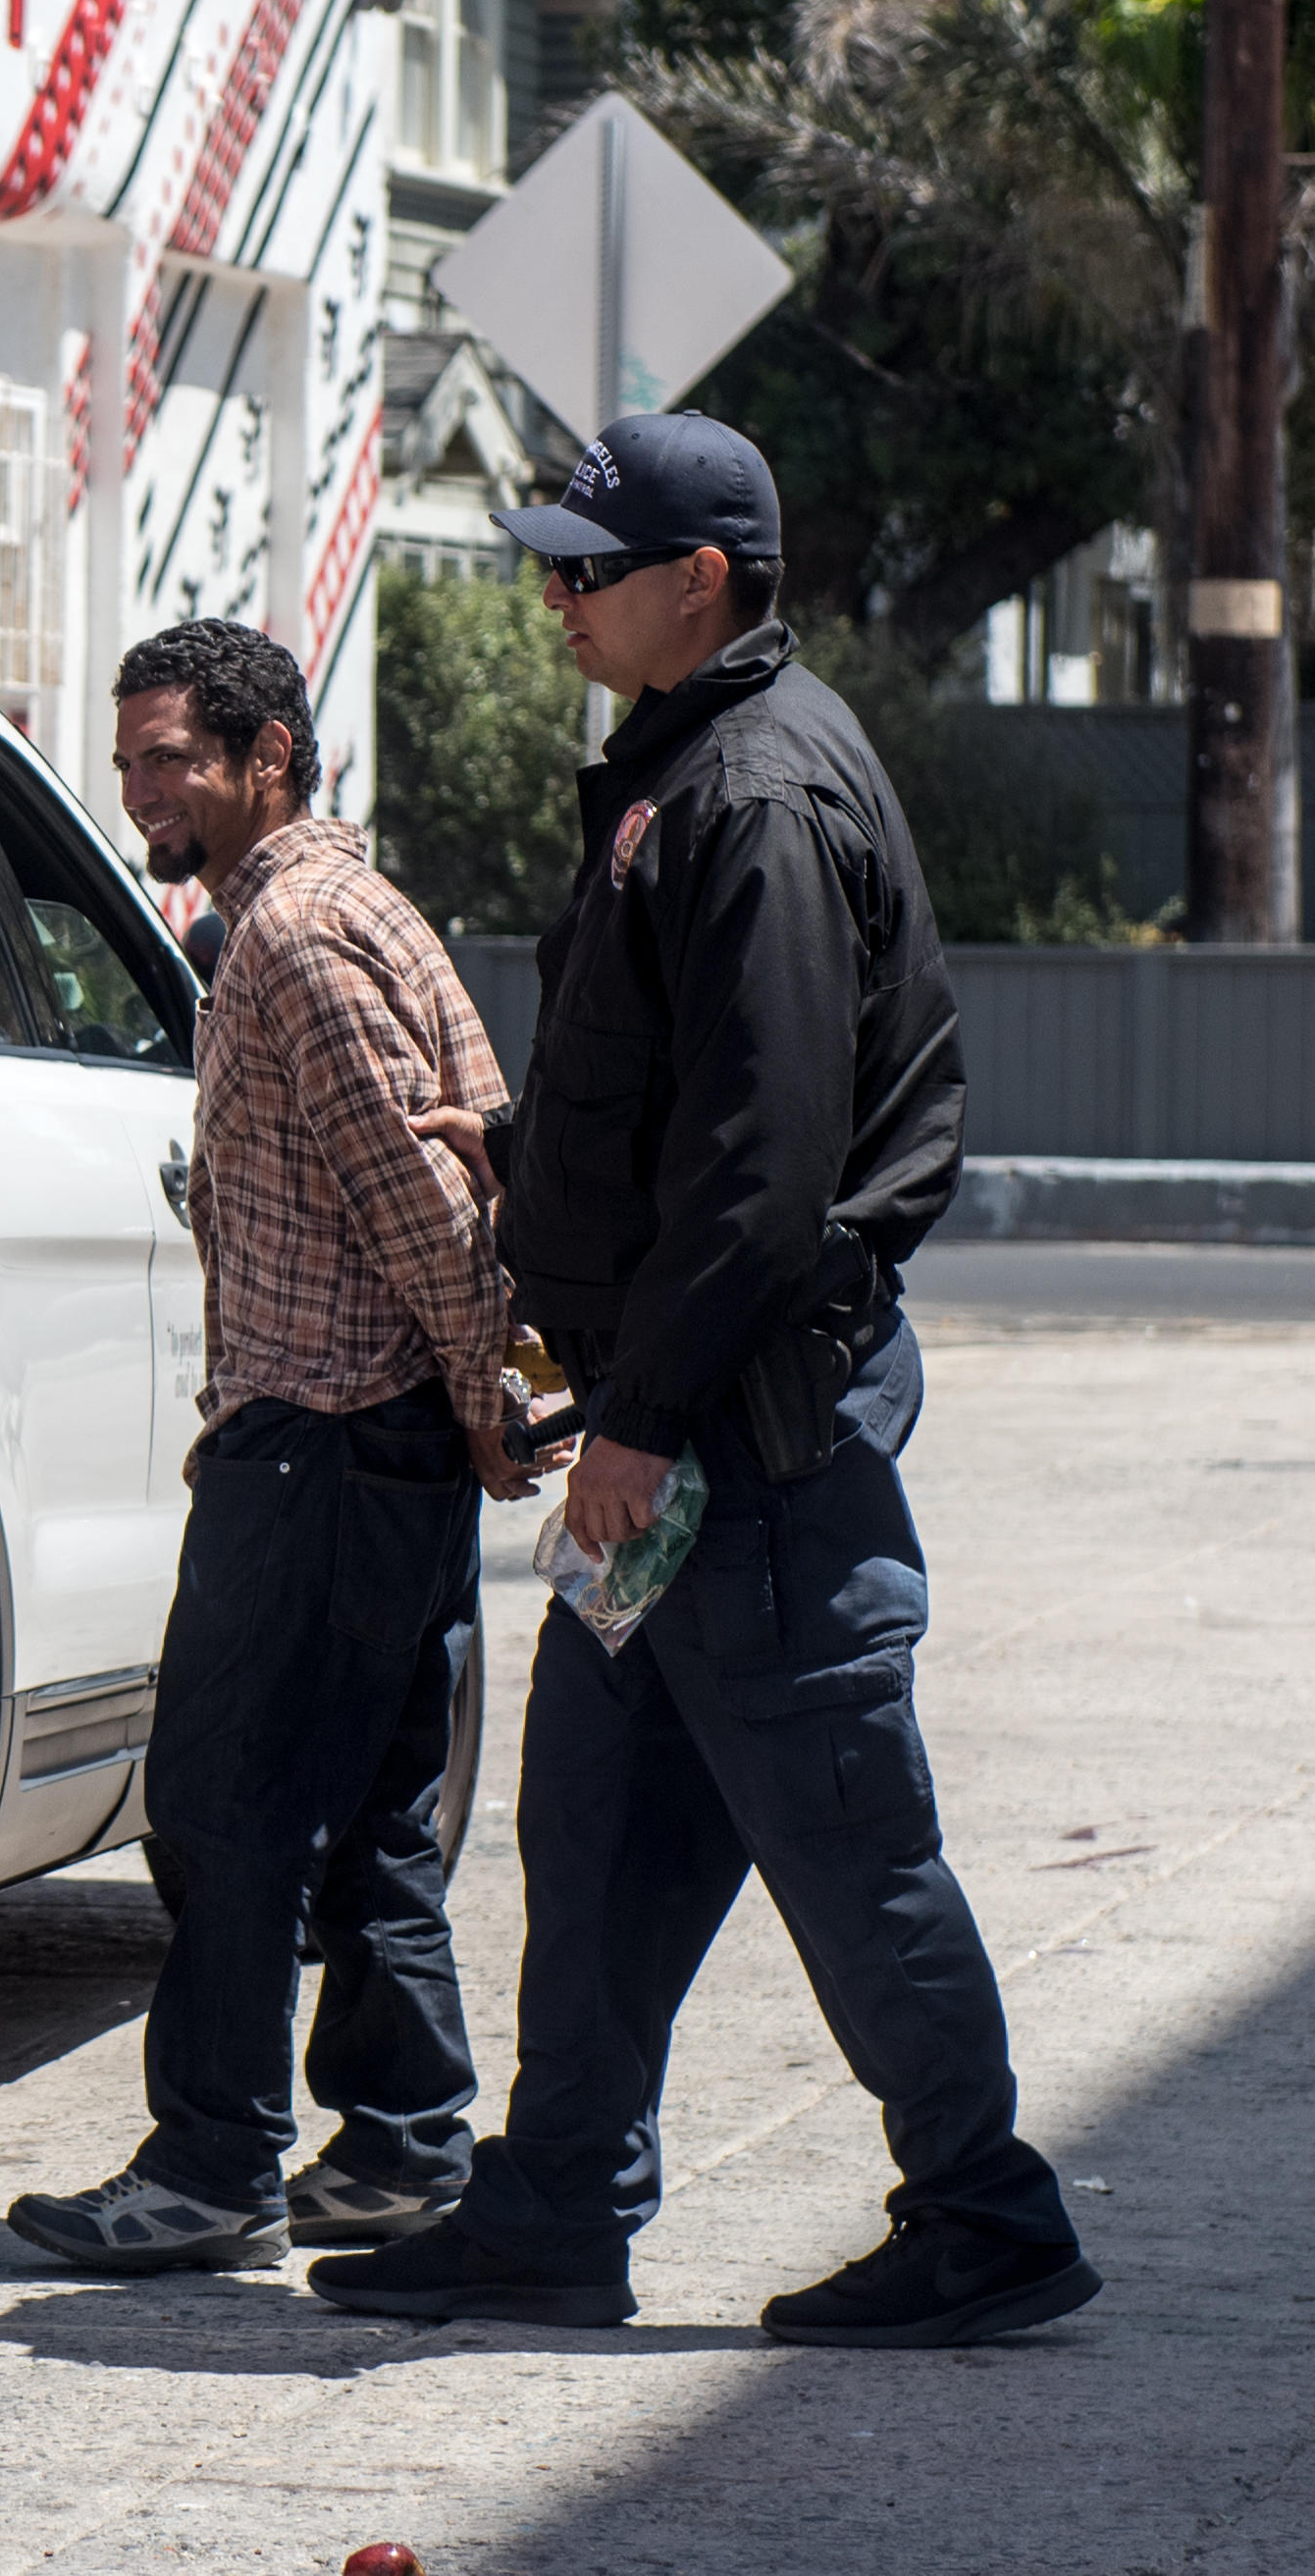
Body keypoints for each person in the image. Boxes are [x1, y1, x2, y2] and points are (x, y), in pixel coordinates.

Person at [318, 411, 1098, 2347]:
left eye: (584, 568)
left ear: (700, 581)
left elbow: (757, 1171)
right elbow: (652, 1123)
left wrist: (641, 1414)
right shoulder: (679, 764)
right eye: (551, 563)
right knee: (582, 1834)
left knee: (846, 1841)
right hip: (653, 1458)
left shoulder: (748, 788)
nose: (551, 598)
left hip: (731, 1457)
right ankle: (552, 2208)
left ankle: (985, 2213)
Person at [9, 619, 538, 2277]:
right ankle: (395, 2147)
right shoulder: (358, 903)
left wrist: (480, 1384)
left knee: (222, 1804)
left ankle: (214, 2159)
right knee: (373, 1802)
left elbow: (421, 1192)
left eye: (171, 758)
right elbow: (477, 1122)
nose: (141, 790)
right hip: (371, 1441)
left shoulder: (290, 940)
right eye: (129, 759)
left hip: (320, 1434)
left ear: (266, 758)